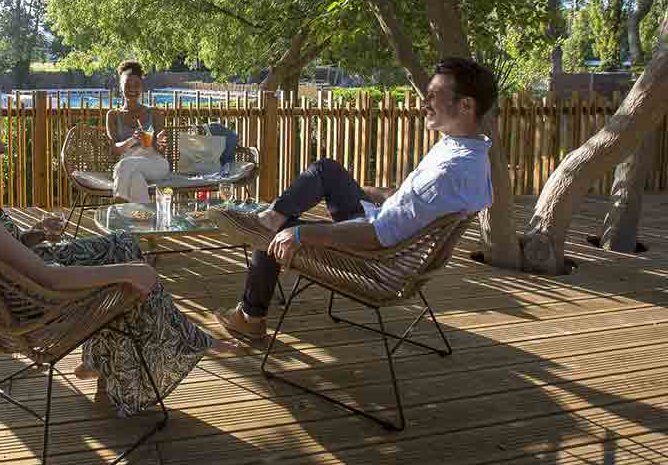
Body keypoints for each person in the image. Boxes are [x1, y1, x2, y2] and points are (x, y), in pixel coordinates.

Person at [0, 95, 234, 416]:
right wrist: (127, 273)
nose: (3, 148)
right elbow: (49, 277)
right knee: (131, 269)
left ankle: (105, 359)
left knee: (121, 243)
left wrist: (32, 235)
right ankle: (174, 347)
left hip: (8, 294)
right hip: (38, 306)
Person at [209, 57, 498, 340]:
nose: (425, 102)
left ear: (466, 105)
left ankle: (250, 315)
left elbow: (377, 237)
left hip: (376, 259)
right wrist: (382, 193)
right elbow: (416, 205)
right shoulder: (468, 154)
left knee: (273, 234)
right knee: (327, 170)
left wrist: (300, 234)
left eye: (434, 95)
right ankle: (269, 219)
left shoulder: (448, 171)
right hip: (386, 233)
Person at [106, 60, 170, 203]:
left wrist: (160, 142)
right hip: (128, 167)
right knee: (135, 180)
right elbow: (115, 150)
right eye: (127, 85)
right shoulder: (113, 115)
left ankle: (119, 202)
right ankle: (145, 221)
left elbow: (160, 149)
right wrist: (132, 140)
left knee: (123, 166)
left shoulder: (154, 112)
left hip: (155, 163)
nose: (132, 89)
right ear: (120, 87)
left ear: (142, 87)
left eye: (136, 85)